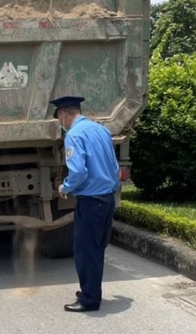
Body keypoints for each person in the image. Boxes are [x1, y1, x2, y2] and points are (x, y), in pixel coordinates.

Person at [50, 96, 120, 313]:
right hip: (107, 199)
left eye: (60, 119)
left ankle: (89, 299)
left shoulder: (74, 135)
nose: (61, 124)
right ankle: (91, 292)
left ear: (63, 114)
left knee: (86, 252)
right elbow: (113, 165)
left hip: (91, 202)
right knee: (97, 248)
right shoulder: (101, 130)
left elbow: (79, 171)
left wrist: (65, 187)